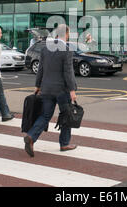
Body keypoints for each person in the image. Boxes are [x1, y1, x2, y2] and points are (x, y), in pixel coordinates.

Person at [23, 24, 78, 157]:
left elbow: (40, 69)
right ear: (67, 34)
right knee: (66, 115)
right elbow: (68, 72)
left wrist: (37, 86)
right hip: (62, 90)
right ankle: (64, 143)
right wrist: (72, 90)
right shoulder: (67, 50)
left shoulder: (45, 49)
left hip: (46, 89)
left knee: (45, 115)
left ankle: (31, 136)